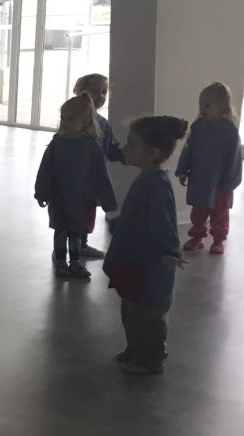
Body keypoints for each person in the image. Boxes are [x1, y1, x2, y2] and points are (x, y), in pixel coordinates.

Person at [104, 116, 189, 375]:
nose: (125, 148)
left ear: (152, 153)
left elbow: (163, 223)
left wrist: (168, 252)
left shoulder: (157, 186)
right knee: (131, 311)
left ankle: (150, 358)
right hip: (135, 261)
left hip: (149, 266)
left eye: (132, 144)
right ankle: (136, 349)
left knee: (147, 316)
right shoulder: (146, 180)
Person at [34, 95, 117, 279]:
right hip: (59, 198)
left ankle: (75, 262)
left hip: (83, 199)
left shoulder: (92, 148)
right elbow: (45, 168)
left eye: (71, 119)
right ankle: (61, 262)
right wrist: (41, 191)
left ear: (86, 121)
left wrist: (109, 203)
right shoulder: (57, 144)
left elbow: (102, 176)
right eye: (63, 117)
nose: (65, 122)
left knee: (76, 232)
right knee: (61, 231)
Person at [175, 82, 243, 255]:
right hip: (200, 179)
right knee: (198, 210)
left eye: (207, 105)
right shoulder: (197, 127)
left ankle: (218, 240)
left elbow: (235, 157)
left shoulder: (230, 130)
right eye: (201, 104)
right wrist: (183, 169)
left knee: (219, 212)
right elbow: (188, 150)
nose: (202, 109)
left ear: (222, 107)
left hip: (221, 182)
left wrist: (231, 180)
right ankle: (197, 237)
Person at [72, 73, 123, 255]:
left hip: (93, 180)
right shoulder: (73, 121)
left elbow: (111, 148)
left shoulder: (103, 124)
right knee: (70, 213)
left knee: (87, 212)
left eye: (104, 92)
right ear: (80, 93)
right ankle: (63, 247)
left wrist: (127, 155)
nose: (100, 96)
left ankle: (82, 244)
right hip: (73, 178)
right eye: (94, 92)